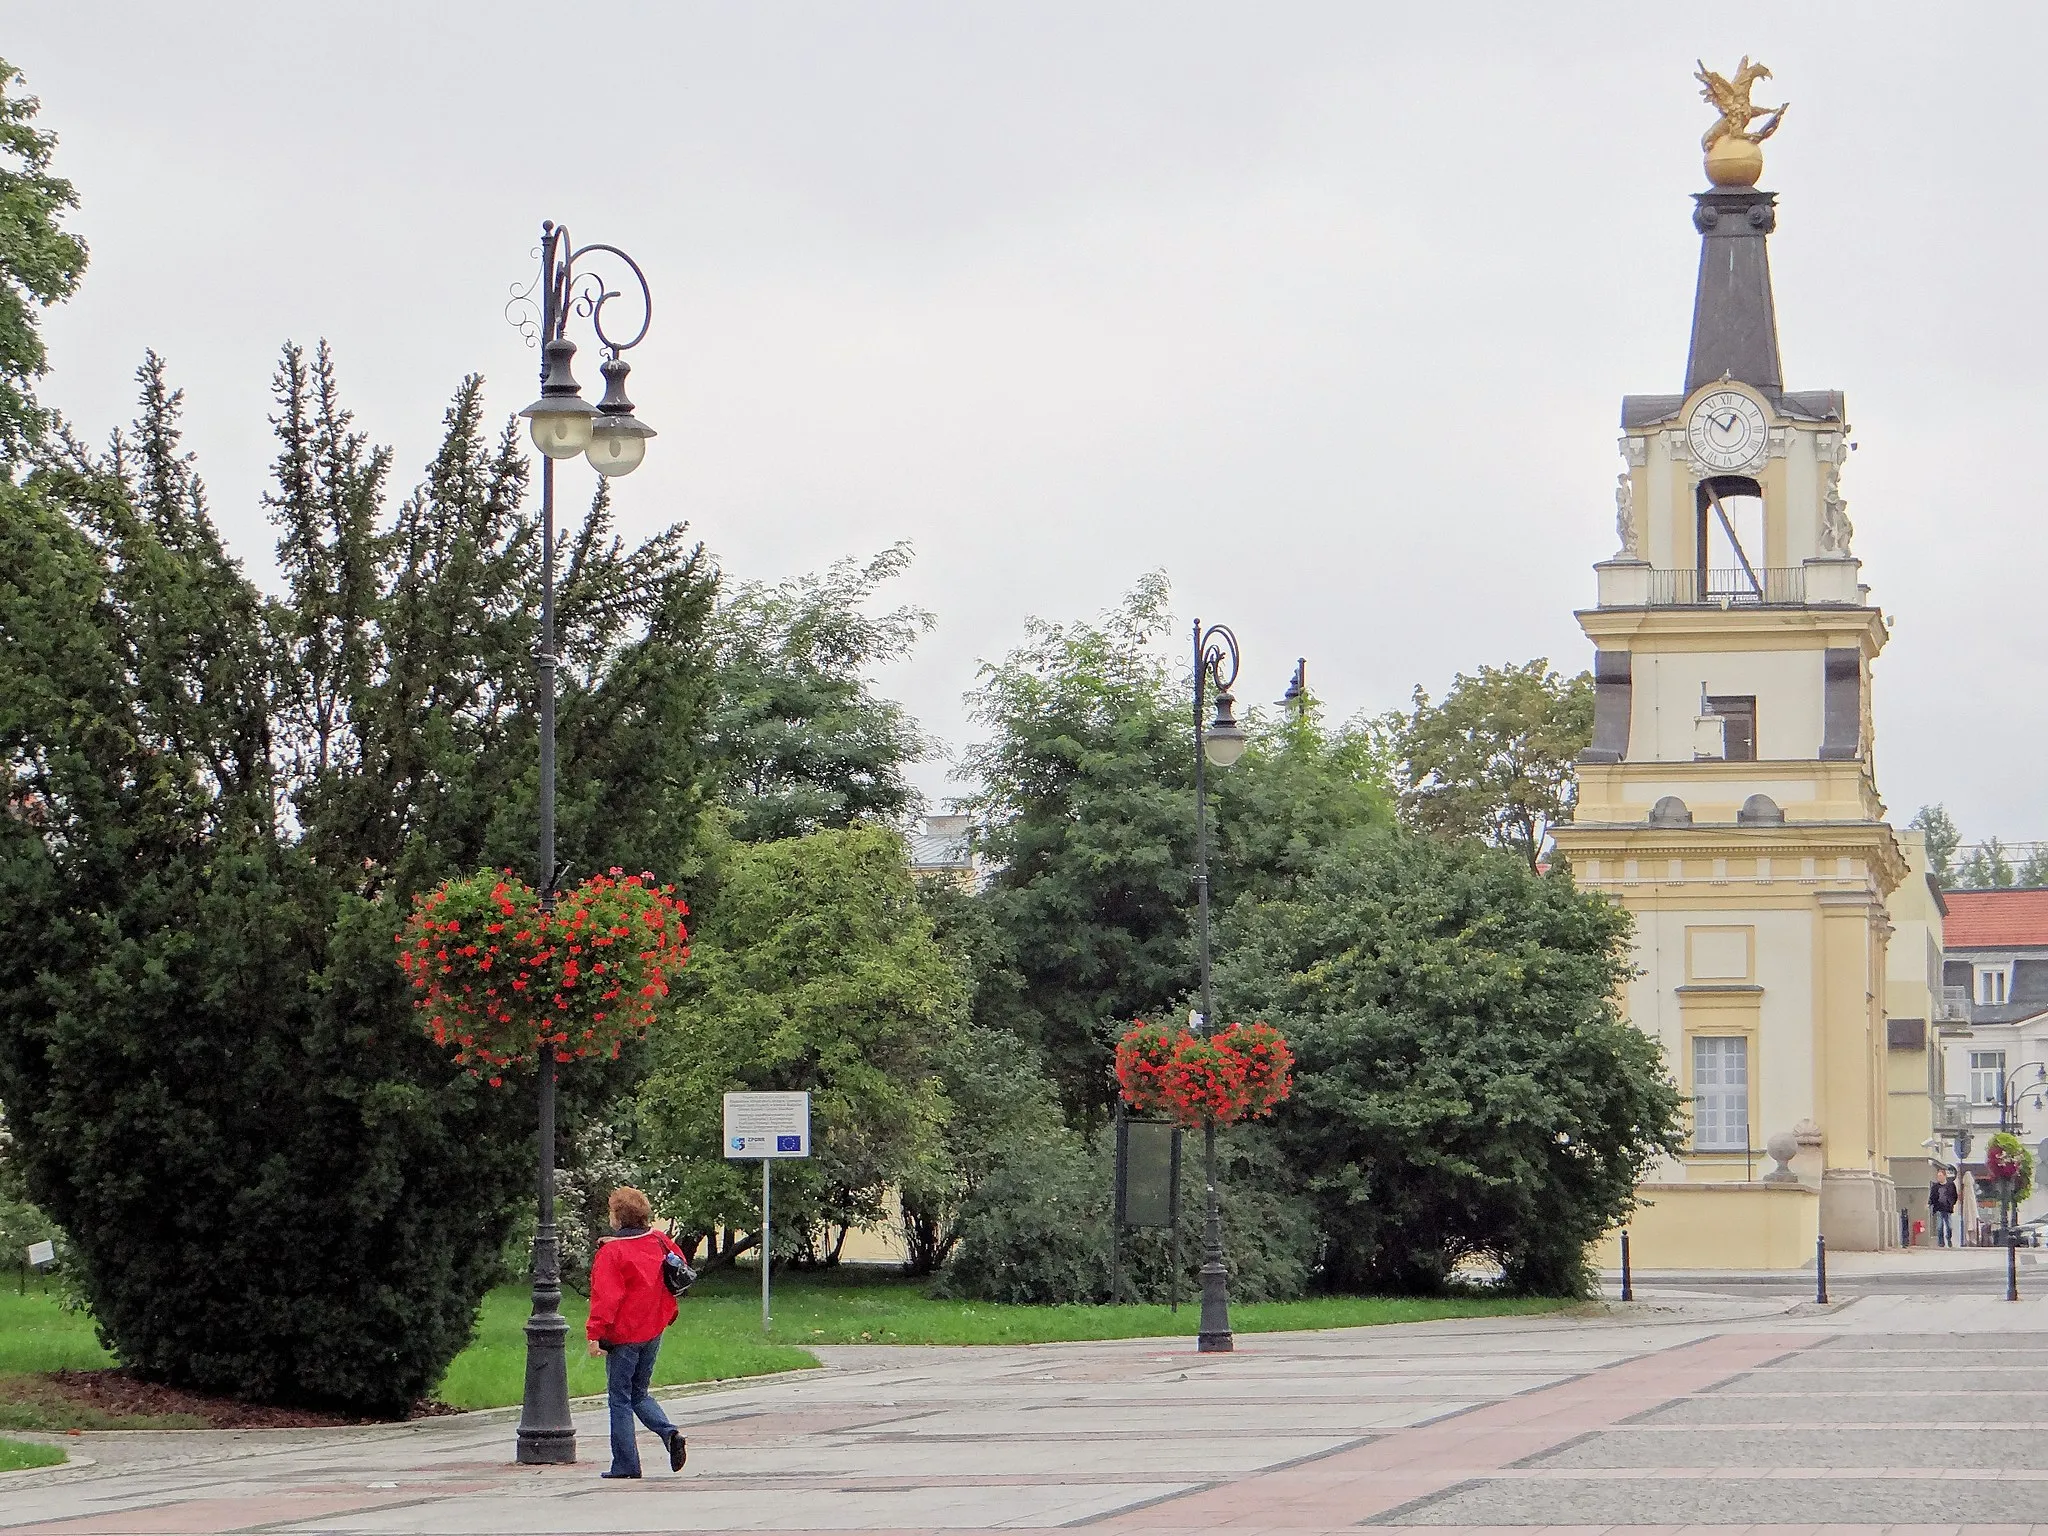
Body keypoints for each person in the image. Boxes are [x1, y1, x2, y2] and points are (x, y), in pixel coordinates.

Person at [586, 1186, 690, 1479]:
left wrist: (594, 1334)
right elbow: (678, 1270)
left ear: (618, 1218)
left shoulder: (611, 1253)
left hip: (622, 1335)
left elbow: (605, 1297)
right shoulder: (659, 1240)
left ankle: (626, 1464)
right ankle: (669, 1433)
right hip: (654, 1328)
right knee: (640, 1393)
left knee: (619, 1398)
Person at [1929, 1166, 1959, 1248]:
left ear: (1945, 1176)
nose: (1939, 1178)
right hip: (1938, 1208)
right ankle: (1941, 1242)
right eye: (1938, 1176)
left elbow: (1955, 1196)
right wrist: (1929, 1204)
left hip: (1947, 1209)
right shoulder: (1935, 1187)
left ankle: (1948, 1238)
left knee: (1949, 1227)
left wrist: (1952, 1203)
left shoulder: (1951, 1185)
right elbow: (1932, 1197)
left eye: (1940, 1176)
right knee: (1939, 1226)